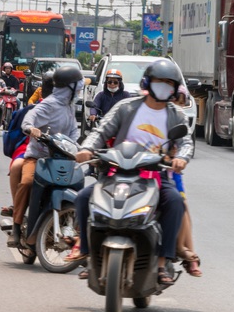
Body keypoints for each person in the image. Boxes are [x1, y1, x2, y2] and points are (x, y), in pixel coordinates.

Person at [71, 59, 192, 285]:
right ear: (148, 82)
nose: (164, 86)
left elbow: (186, 142)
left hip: (154, 175)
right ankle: (87, 253)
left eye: (169, 83)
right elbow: (101, 130)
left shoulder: (177, 115)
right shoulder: (126, 107)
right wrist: (87, 148)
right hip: (118, 170)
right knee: (83, 198)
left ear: (175, 89)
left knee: (175, 202)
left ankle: (162, 262)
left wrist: (181, 159)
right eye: (159, 81)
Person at [8, 66, 82, 247]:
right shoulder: (48, 104)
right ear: (69, 87)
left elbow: (74, 131)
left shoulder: (69, 107)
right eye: (77, 86)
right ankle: (16, 227)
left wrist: (78, 148)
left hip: (62, 158)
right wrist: (30, 128)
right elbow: (29, 118)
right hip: (38, 157)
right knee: (27, 182)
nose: (80, 90)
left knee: (79, 186)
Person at [1, 77, 54, 218]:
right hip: (31, 147)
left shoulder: (67, 111)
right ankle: (17, 208)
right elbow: (17, 132)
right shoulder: (31, 110)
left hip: (58, 150)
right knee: (17, 167)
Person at [171, 85, 202, 277]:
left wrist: (178, 158)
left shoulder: (179, 122)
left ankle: (189, 254)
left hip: (169, 173)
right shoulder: (152, 115)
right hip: (141, 170)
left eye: (182, 103)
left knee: (182, 207)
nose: (178, 107)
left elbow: (185, 147)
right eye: (175, 102)